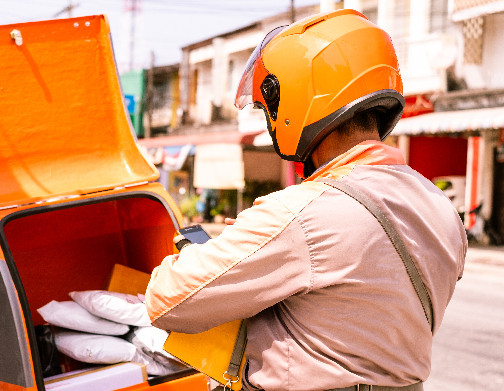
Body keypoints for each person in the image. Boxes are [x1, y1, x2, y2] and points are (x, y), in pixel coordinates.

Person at [144, 9, 466, 391]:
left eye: (269, 108)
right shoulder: (439, 206)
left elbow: (166, 300)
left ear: (299, 98)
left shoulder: (300, 214)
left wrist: (223, 248)